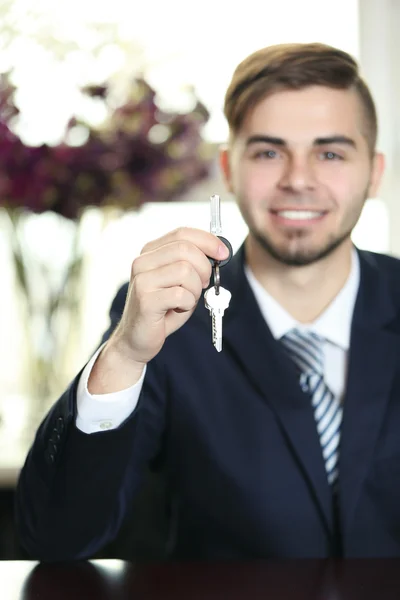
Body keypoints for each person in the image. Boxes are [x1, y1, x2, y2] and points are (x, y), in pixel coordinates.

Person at [16, 40, 400, 562]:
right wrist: (125, 355)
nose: (299, 179)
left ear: (374, 173)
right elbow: (56, 542)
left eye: (330, 152)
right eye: (268, 152)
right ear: (228, 168)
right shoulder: (164, 321)